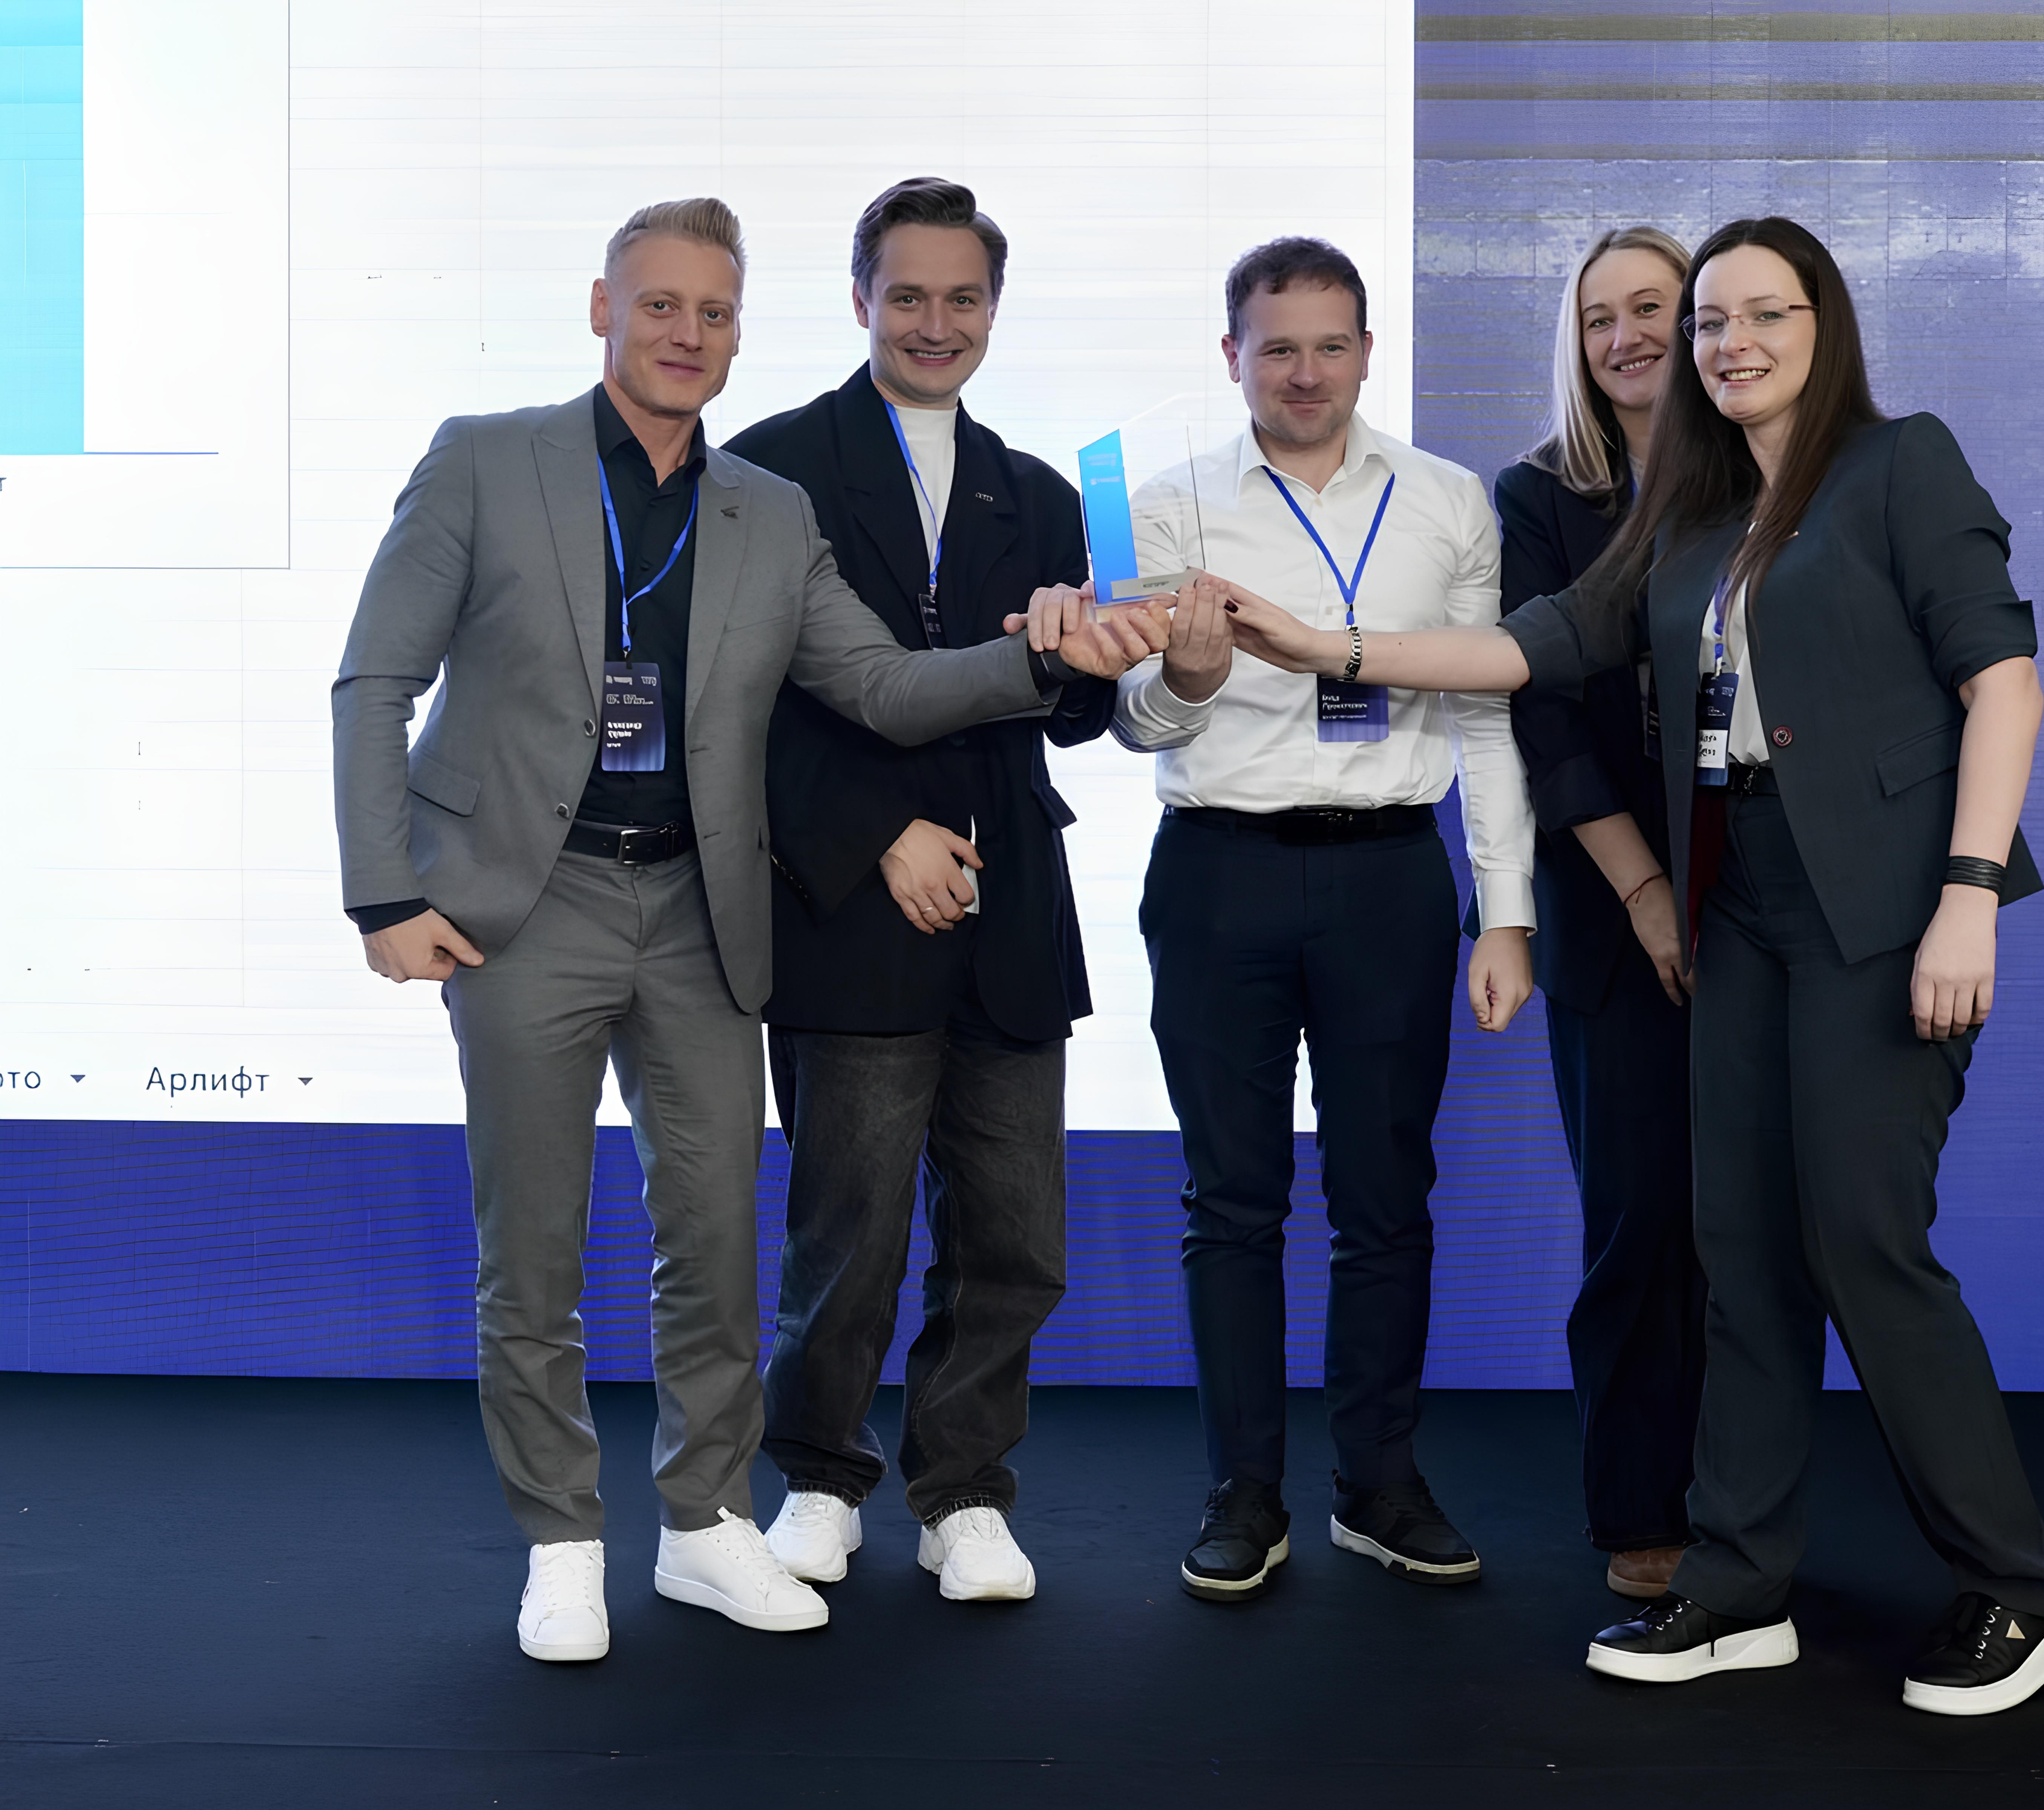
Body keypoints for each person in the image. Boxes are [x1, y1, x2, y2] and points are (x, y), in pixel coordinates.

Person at [1212, 217, 2044, 1715]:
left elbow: (2003, 684)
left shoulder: (1900, 464)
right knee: (1734, 1247)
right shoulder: (1691, 517)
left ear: (1824, 325)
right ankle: (1737, 1583)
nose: (1728, 342)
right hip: (1735, 901)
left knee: (1860, 1242)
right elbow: (1532, 648)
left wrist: (1967, 895)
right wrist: (1323, 646)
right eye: (1710, 324)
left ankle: (2021, 1588)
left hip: (1883, 908)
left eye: (1762, 313)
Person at [331, 198, 1162, 1664]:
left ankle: (704, 1523)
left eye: (713, 313)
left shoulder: (767, 510)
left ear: (739, 333)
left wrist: (1039, 657)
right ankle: (562, 1543)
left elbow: (883, 689)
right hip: (528, 905)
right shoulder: (485, 460)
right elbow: (373, 683)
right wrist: (385, 893)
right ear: (604, 309)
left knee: (714, 1245)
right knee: (532, 1252)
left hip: (699, 913)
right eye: (660, 305)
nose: (687, 334)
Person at [1105, 236, 1538, 1602]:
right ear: (1232, 355)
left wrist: (1506, 912)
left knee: (1385, 1198)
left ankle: (1379, 1483)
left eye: (1330, 345)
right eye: (1277, 347)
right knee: (1230, 1202)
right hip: (1217, 874)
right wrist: (1185, 678)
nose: (1305, 373)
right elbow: (1132, 722)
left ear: (1366, 352)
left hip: (1391, 882)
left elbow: (1486, 710)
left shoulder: (1448, 501)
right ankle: (1244, 1493)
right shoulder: (1165, 506)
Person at [721, 178, 1107, 1604]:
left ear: (994, 308)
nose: (936, 323)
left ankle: (967, 1496)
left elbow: (1074, 715)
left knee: (1014, 1240)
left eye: (964, 298)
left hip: (1012, 907)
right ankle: (821, 1479)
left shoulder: (1045, 493)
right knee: (850, 1235)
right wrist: (879, 832)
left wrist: (1119, 655)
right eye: (908, 295)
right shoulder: (765, 468)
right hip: (846, 903)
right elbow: (736, 709)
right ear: (860, 299)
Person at [1495, 226, 1704, 1602]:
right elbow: (1544, 713)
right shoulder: (1537, 497)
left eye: (1652, 309)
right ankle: (1641, 1510)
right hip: (1611, 912)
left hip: (1766, 901)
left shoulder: (1772, 479)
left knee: (1750, 1230)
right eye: (1597, 318)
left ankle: (1745, 1500)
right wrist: (1643, 892)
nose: (1625, 337)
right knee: (1637, 1222)